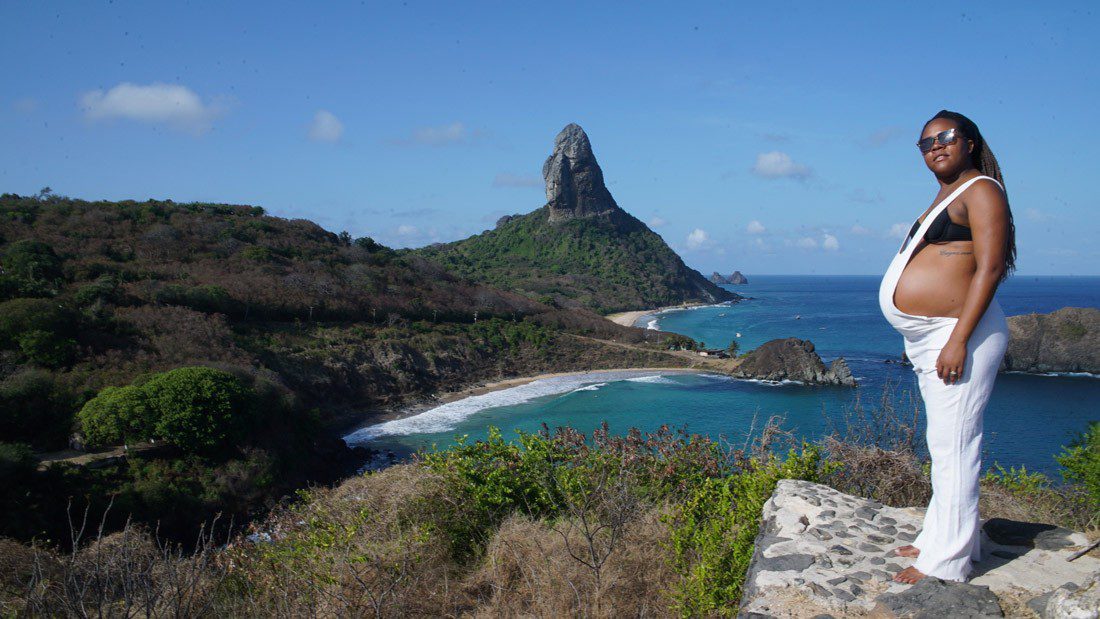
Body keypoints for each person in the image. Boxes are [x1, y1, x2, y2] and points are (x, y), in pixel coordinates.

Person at [877, 109, 1015, 584]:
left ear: (970, 142)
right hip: (932, 336)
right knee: (943, 443)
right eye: (925, 142)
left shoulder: (981, 190)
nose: (935, 145)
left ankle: (948, 565)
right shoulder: (949, 194)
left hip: (959, 334)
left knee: (956, 446)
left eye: (946, 137)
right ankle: (940, 537)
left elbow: (990, 269)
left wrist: (958, 340)